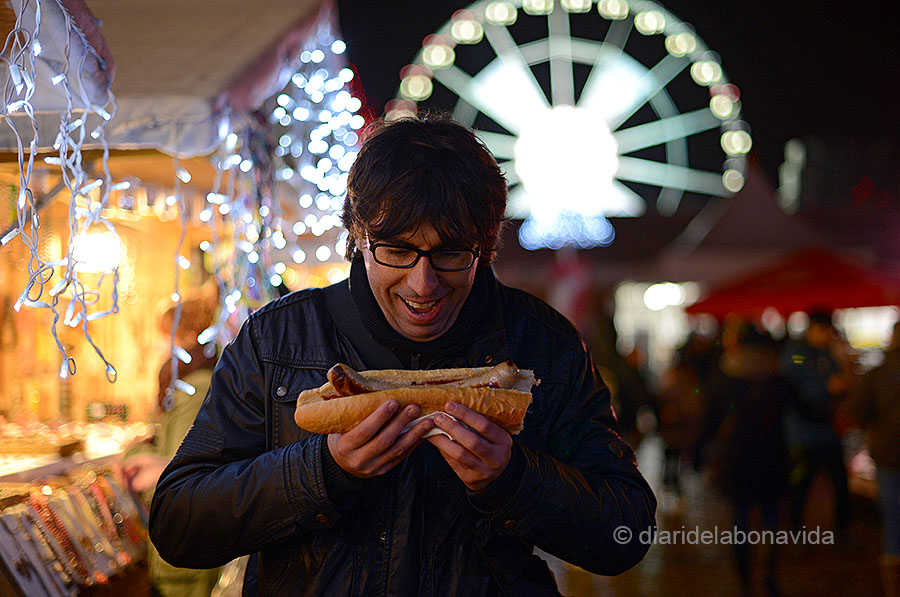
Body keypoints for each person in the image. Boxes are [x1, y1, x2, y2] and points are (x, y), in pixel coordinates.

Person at [148, 114, 656, 595]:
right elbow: (178, 525)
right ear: (358, 238)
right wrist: (322, 471)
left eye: (451, 253)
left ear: (485, 246)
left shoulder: (543, 343)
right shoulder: (276, 339)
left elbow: (625, 533)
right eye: (396, 249)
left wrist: (513, 479)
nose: (423, 283)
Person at [121, 293, 222, 596]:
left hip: (184, 549)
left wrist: (134, 454)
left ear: (186, 336)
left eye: (165, 336)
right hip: (188, 546)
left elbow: (176, 475)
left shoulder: (193, 387)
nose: (157, 345)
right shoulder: (197, 378)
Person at [698, 324, 792, 597]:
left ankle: (745, 585)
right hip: (772, 455)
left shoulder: (724, 375)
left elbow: (710, 418)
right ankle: (770, 578)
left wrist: (698, 451)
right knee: (772, 522)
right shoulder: (776, 376)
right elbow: (801, 408)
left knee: (740, 524)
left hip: (736, 458)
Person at [779, 310, 853, 539]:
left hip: (827, 432)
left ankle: (842, 532)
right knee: (801, 485)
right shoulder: (796, 354)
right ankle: (796, 532)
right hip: (803, 434)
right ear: (813, 328)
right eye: (825, 331)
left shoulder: (827, 353)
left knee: (840, 483)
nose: (828, 336)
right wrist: (827, 385)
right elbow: (819, 386)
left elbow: (844, 383)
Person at [849, 321, 900, 597]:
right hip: (888, 453)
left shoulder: (878, 373)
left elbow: (858, 410)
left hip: (888, 454)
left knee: (892, 520)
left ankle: (893, 583)